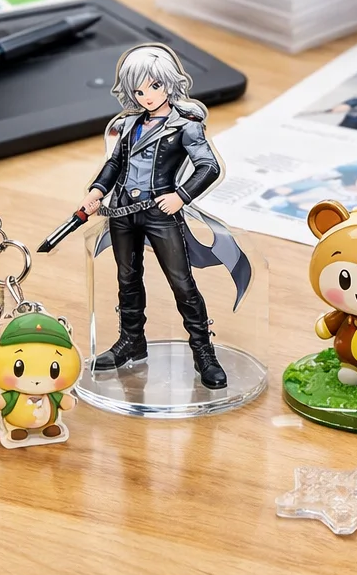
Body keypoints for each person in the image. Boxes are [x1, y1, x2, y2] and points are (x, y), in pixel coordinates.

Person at [82, 44, 249, 388]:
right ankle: (131, 341)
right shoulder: (129, 124)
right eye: (139, 90)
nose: (147, 96)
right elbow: (115, 163)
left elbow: (209, 166)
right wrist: (97, 190)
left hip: (160, 212)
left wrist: (181, 196)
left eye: (154, 86)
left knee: (182, 282)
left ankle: (203, 352)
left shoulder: (185, 126)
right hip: (122, 212)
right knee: (127, 279)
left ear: (169, 83)